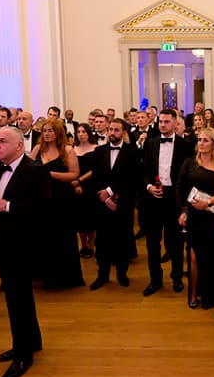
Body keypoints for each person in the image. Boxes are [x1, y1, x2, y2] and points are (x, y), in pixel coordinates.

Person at [0, 126, 51, 377]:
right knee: (16, 296)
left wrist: (5, 205)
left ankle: (23, 354)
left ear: (19, 146)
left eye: (3, 141)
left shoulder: (35, 170)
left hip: (20, 245)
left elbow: (43, 209)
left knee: (18, 299)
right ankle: (31, 342)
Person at [177, 128, 214, 309]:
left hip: (211, 217)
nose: (201, 143)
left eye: (206, 140)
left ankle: (210, 295)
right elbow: (181, 187)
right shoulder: (189, 162)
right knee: (193, 258)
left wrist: (208, 202)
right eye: (199, 140)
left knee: (211, 257)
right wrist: (183, 211)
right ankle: (192, 294)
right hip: (193, 216)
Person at [29, 119, 84, 289]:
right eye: (44, 130)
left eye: (50, 131)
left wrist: (51, 175)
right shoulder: (38, 149)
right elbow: (28, 169)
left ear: (58, 132)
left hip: (61, 198)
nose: (47, 134)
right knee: (42, 237)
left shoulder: (67, 150)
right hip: (41, 199)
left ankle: (64, 277)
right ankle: (44, 275)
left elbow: (74, 174)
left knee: (62, 236)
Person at [141, 109, 191, 296]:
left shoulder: (186, 145)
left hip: (174, 197)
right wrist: (148, 187)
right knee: (152, 242)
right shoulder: (151, 143)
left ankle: (176, 277)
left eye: (167, 122)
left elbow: (187, 176)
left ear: (175, 123)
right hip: (153, 196)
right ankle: (155, 280)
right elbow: (144, 170)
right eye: (161, 121)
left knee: (175, 241)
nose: (163, 125)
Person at [89, 119, 142, 289]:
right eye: (110, 129)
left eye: (117, 130)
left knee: (122, 239)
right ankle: (102, 275)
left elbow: (131, 179)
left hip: (123, 204)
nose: (112, 133)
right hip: (101, 203)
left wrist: (112, 194)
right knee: (102, 241)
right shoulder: (98, 151)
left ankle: (122, 274)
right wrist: (105, 198)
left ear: (124, 132)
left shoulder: (132, 152)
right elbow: (95, 177)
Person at [72, 123, 97, 259]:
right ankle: (84, 245)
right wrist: (76, 184)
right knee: (80, 217)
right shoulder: (72, 149)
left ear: (88, 133)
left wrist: (80, 181)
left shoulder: (96, 148)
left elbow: (95, 170)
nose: (80, 134)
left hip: (91, 185)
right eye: (78, 132)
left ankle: (91, 244)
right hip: (76, 186)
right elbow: (70, 168)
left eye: (83, 132)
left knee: (91, 217)